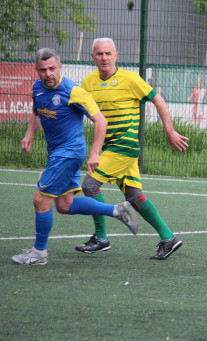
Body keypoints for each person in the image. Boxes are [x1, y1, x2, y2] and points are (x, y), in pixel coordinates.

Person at [12, 48, 138, 265]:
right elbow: (36, 112)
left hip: (69, 153)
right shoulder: (37, 88)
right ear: (37, 70)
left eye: (52, 68)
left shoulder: (73, 91)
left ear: (60, 67)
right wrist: (29, 134)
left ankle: (39, 253)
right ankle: (117, 210)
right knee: (65, 205)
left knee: (40, 199)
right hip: (56, 153)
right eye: (43, 70)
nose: (48, 74)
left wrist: (95, 153)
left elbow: (101, 121)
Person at [78, 38, 188, 259]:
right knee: (135, 196)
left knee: (90, 185)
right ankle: (169, 238)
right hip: (110, 147)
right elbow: (81, 109)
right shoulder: (88, 82)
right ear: (93, 57)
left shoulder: (130, 79)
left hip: (124, 147)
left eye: (108, 53)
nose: (104, 58)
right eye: (99, 54)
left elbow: (158, 99)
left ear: (116, 56)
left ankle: (101, 238)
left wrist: (169, 130)